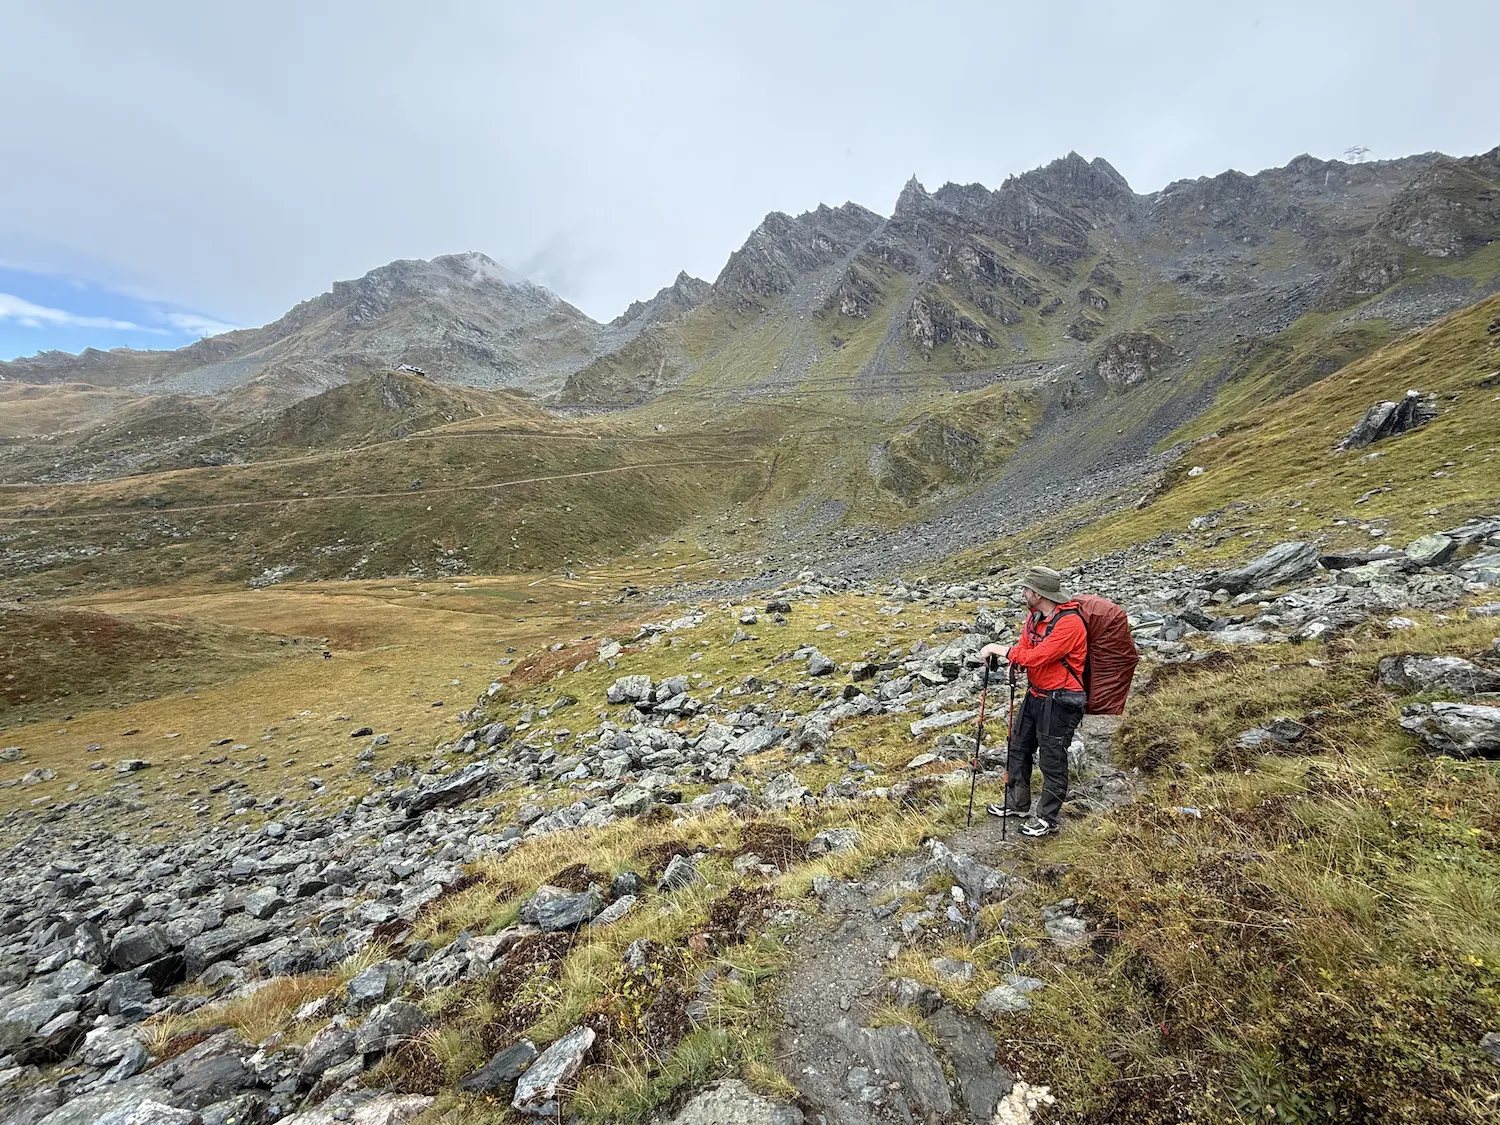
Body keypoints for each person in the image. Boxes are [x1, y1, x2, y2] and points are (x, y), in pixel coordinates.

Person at [979, 566, 1088, 837]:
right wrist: (1015, 663)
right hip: (1036, 693)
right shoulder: (1035, 617)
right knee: (1017, 748)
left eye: (1026, 589)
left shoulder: (1070, 623)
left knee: (1052, 758)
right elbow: (1026, 649)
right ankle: (1017, 803)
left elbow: (1038, 656)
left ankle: (1048, 818)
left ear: (1038, 594)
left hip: (1062, 699)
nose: (1023, 593)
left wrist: (997, 649)